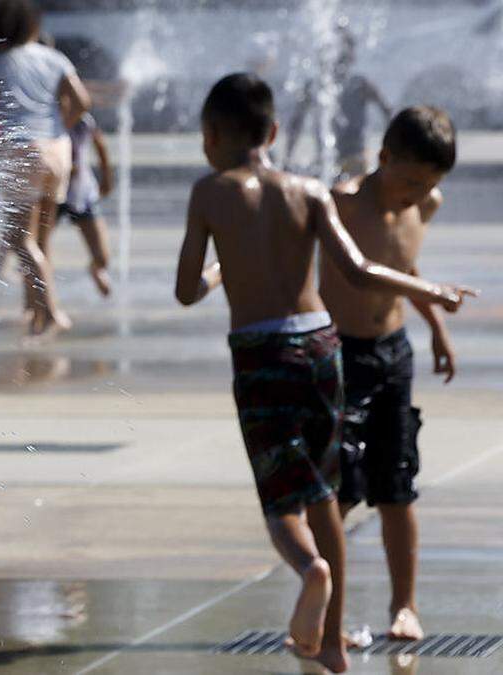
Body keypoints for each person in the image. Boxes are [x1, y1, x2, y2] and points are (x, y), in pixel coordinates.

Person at [174, 73, 472, 673]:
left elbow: (186, 290)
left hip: (264, 354)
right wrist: (432, 295)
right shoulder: (312, 189)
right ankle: (333, 644)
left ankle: (312, 571)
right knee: (328, 495)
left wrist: (219, 268)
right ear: (275, 131)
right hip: (324, 347)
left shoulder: (210, 191)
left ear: (210, 136)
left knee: (285, 498)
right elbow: (359, 267)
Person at [321, 106, 469, 642]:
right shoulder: (341, 203)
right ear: (382, 158)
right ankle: (326, 606)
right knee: (339, 488)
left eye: (427, 185)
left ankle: (404, 605)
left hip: (393, 353)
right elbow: (352, 272)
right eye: (408, 181)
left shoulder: (425, 203)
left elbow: (405, 267)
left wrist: (436, 328)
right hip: (341, 355)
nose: (415, 194)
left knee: (398, 485)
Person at [0, 0, 91, 337]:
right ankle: (33, 311)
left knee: (18, 239)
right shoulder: (54, 58)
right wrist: (60, 128)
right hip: (58, 151)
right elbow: (82, 102)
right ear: (32, 25)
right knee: (41, 241)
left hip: (21, 152)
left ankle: (52, 311)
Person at [285, 26, 391, 179]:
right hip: (327, 160)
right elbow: (296, 123)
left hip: (354, 159)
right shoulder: (315, 86)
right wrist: (288, 157)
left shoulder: (360, 84)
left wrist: (388, 153)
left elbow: (388, 113)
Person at [41, 111, 114, 297]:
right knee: (38, 246)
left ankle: (96, 268)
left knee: (103, 257)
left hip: (82, 193)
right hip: (53, 193)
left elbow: (100, 144)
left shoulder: (84, 120)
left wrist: (106, 177)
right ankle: (40, 296)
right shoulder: (48, 118)